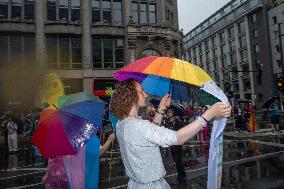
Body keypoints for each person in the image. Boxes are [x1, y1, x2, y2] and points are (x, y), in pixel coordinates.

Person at [110, 79, 231, 188]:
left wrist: (161, 108)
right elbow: (177, 138)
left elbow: (151, 133)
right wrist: (208, 115)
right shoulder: (138, 126)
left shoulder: (122, 124)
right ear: (131, 97)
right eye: (141, 92)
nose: (145, 95)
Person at [164, 107, 186, 184]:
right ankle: (183, 175)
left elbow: (183, 132)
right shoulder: (167, 122)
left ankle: (180, 177)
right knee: (177, 161)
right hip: (171, 144)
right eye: (168, 112)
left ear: (173, 113)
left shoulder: (178, 122)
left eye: (170, 112)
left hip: (177, 144)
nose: (168, 113)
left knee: (178, 161)